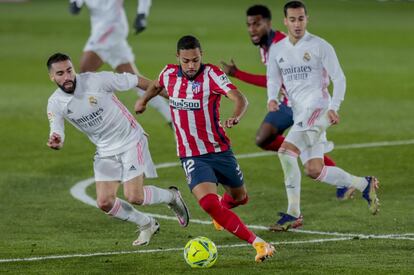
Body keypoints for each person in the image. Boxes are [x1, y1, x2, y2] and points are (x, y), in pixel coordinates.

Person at [135, 35, 275, 263]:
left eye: (196, 60)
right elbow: (156, 85)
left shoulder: (212, 75)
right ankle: (259, 243)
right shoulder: (169, 73)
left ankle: (223, 210)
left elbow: (240, 98)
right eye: (186, 61)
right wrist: (144, 101)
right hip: (191, 155)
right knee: (208, 203)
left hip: (219, 150)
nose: (191, 66)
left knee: (240, 198)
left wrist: (235, 116)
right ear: (178, 57)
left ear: (202, 56)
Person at [46, 53, 189, 246]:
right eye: (60, 73)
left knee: (134, 196)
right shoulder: (55, 103)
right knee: (105, 202)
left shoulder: (97, 81)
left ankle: (171, 196)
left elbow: (137, 80)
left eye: (69, 70)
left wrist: (175, 98)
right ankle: (147, 224)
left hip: (130, 139)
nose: (67, 76)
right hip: (105, 151)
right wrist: (57, 139)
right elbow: (57, 130)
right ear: (52, 77)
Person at [221, 5, 354, 206]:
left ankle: (342, 182)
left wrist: (238, 74)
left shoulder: (280, 44)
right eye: (249, 25)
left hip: (300, 104)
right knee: (264, 138)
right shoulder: (267, 47)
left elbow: (272, 81)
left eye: (257, 24)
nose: (252, 29)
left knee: (271, 139)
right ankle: (301, 152)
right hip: (287, 101)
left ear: (269, 23)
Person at [266, 1, 380, 229]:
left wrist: (334, 106)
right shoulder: (277, 50)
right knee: (314, 169)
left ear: (307, 19)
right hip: (300, 113)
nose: (297, 24)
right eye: (292, 19)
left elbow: (340, 78)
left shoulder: (320, 46)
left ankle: (294, 213)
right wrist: (272, 98)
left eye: (301, 18)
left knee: (286, 152)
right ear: (285, 22)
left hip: (318, 108)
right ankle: (363, 184)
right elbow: (273, 78)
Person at [68, 0, 172, 125]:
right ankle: (172, 113)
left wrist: (142, 14)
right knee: (135, 80)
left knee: (84, 74)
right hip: (103, 32)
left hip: (111, 29)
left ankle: (93, 115)